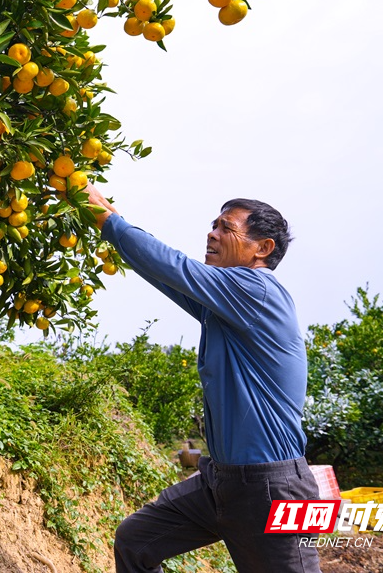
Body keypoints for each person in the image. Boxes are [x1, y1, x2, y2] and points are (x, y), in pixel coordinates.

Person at [83, 184, 321, 573]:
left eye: (226, 228)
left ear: (262, 248)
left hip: (273, 487)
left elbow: (174, 266)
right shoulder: (225, 302)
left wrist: (107, 220)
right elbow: (164, 272)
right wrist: (97, 210)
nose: (211, 233)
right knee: (137, 541)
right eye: (213, 225)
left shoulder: (256, 291)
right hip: (222, 481)